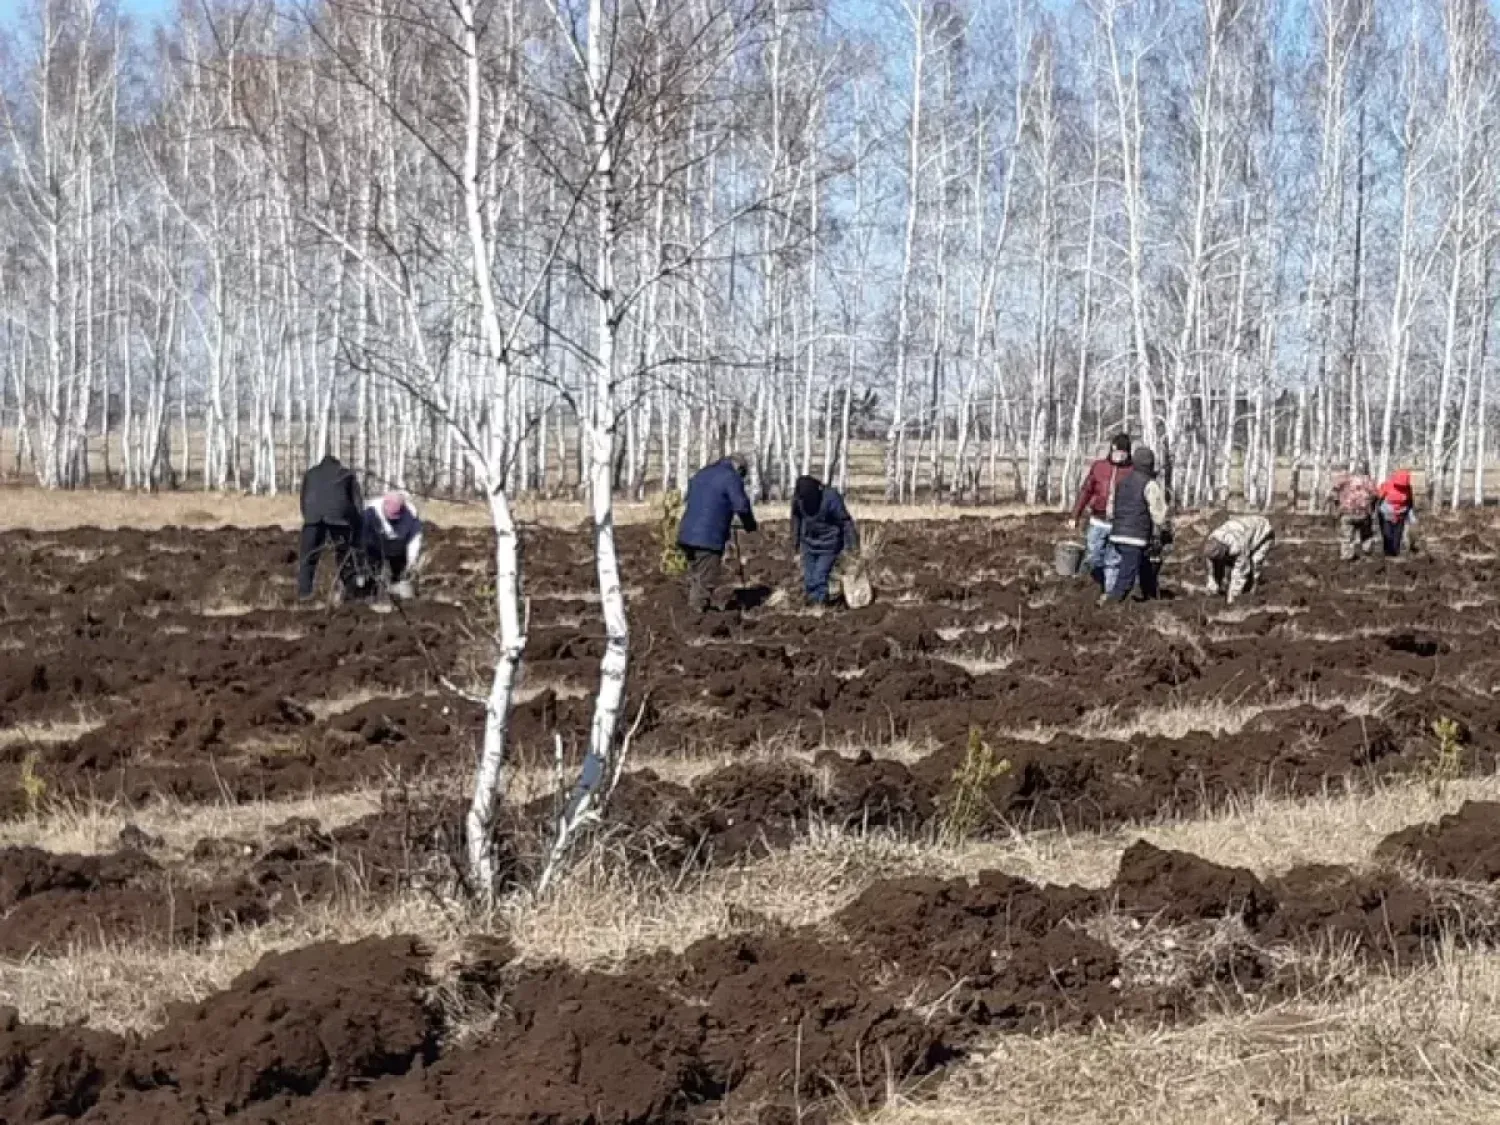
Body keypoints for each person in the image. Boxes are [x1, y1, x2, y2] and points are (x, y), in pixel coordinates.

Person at [677, 454, 757, 613]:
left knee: (696, 577)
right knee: (705, 581)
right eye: (743, 474)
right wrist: (749, 525)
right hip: (708, 538)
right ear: (739, 469)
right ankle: (696, 620)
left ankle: (692, 614)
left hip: (686, 533)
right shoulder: (730, 477)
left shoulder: (702, 473)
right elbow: (741, 505)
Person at [1104, 446, 1169, 604]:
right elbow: (1159, 513)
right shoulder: (1150, 484)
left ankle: (1146, 595)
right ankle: (1111, 605)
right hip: (1135, 536)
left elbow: (1111, 509)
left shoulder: (1123, 482)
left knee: (1135, 566)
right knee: (1127, 575)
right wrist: (1163, 530)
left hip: (1117, 532)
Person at [297, 453, 363, 601]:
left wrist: (308, 517)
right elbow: (357, 502)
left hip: (313, 519)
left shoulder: (311, 473)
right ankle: (351, 593)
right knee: (345, 556)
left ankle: (304, 594)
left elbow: (303, 499)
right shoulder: (346, 474)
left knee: (308, 558)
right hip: (339, 519)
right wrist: (357, 526)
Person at [1071, 434, 1132, 592]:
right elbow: (1086, 491)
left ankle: (1109, 592)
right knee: (1093, 555)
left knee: (1113, 560)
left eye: (1122, 453)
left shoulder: (1131, 471)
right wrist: (1075, 515)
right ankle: (1092, 584)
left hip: (1119, 524)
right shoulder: (1099, 467)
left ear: (1128, 453)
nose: (1118, 456)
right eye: (1115, 452)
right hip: (1098, 520)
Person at [791, 475, 859, 605]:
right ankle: (812, 601)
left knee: (819, 577)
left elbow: (845, 522)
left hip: (829, 544)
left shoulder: (831, 498)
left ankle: (819, 605)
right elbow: (796, 520)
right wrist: (795, 543)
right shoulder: (798, 499)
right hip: (808, 543)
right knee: (809, 578)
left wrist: (853, 546)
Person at [358, 491, 425, 600]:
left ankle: (397, 591)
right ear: (384, 504)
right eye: (392, 516)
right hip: (375, 548)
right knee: (372, 573)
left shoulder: (410, 515)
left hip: (398, 550)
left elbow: (415, 539)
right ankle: (370, 593)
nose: (395, 519)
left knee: (399, 575)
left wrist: (412, 561)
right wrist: (362, 563)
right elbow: (361, 538)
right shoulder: (369, 513)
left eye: (397, 516)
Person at [1203, 515, 1275, 606]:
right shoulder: (1212, 540)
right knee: (1218, 566)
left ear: (1224, 551)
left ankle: (1252, 592)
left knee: (1254, 564)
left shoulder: (1238, 546)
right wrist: (1211, 589)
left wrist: (1231, 600)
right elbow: (1212, 568)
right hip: (1244, 529)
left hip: (1263, 532)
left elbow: (1240, 574)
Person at [1328, 461, 1378, 561]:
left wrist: (1337, 506)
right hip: (1364, 513)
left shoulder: (1345, 480)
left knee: (1347, 537)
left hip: (1347, 512)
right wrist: (1371, 509)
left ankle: (1347, 557)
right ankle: (1366, 554)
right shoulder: (1368, 481)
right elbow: (1375, 495)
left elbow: (1333, 493)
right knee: (1366, 535)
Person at [1377, 469, 1416, 557]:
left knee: (1397, 535)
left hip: (1400, 514)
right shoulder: (1387, 485)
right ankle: (1387, 553)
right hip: (1386, 514)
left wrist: (1411, 516)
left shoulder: (1408, 488)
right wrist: (1378, 512)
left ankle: (1395, 553)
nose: (1401, 487)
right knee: (1387, 534)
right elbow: (1379, 498)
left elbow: (1410, 502)